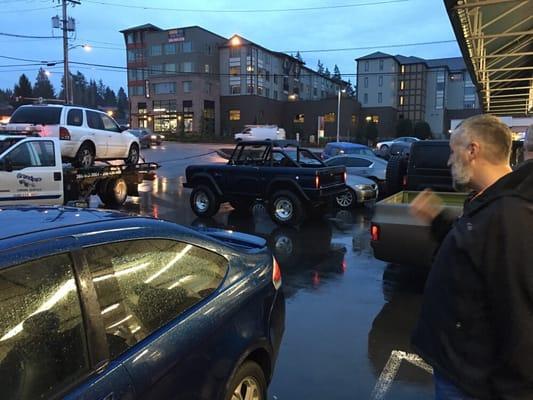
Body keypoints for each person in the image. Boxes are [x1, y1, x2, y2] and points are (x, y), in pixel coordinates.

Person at [409, 114, 533, 399]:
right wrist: (439, 221)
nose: (449, 161)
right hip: (459, 371)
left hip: (471, 384)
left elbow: (521, 318)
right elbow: (474, 251)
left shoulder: (510, 215)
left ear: (472, 150)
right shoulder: (489, 200)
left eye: (454, 152)